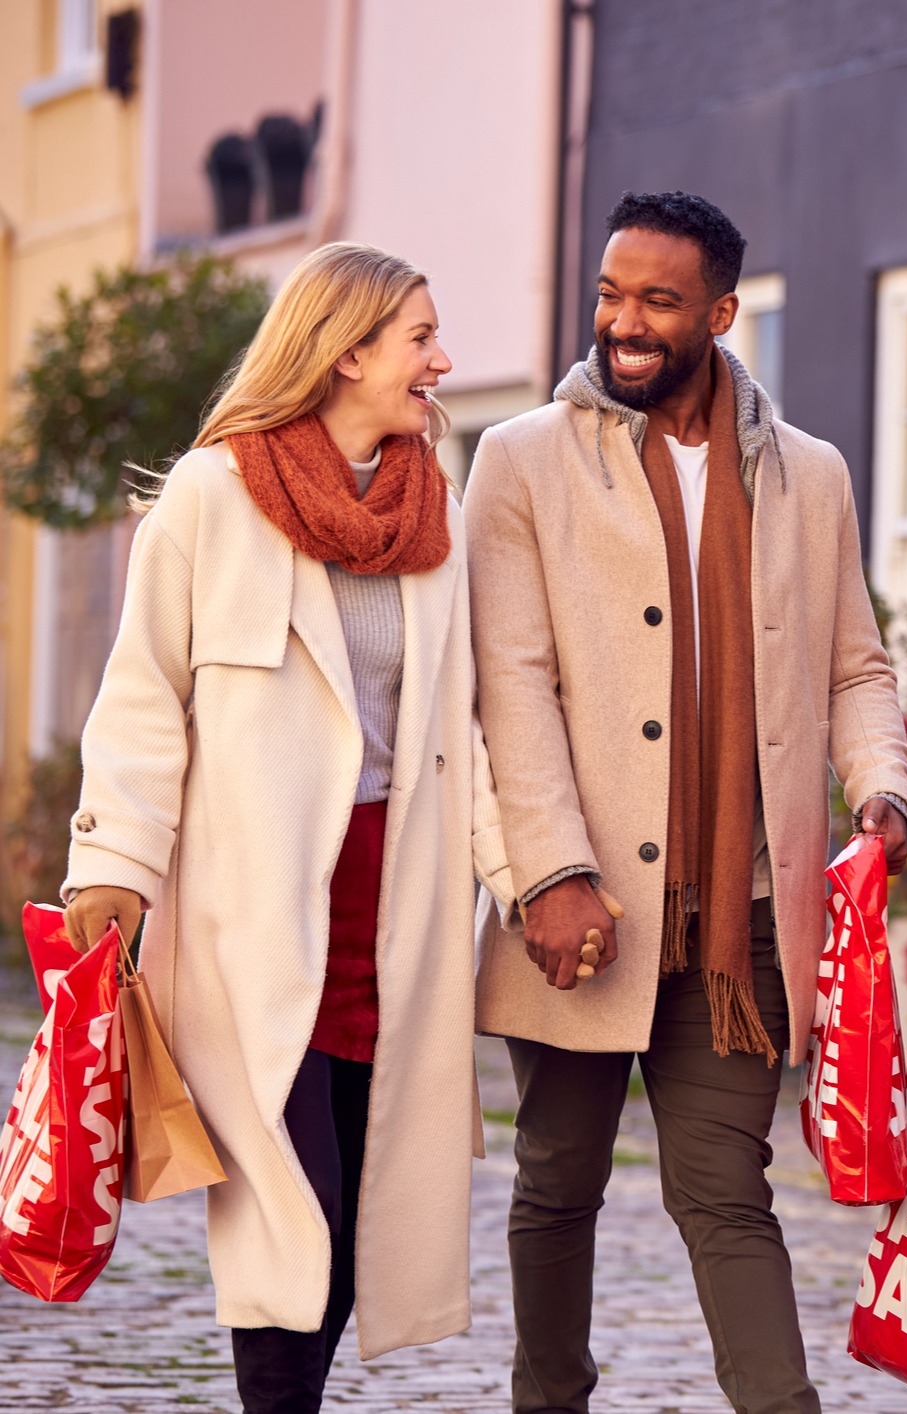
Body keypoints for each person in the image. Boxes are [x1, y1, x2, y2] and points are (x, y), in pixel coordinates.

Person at [465, 190, 907, 1414]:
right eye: (611, 294)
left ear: (720, 312)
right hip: (583, 903)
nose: (624, 322)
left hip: (744, 912)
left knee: (725, 1187)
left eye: (657, 302)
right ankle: (546, 1398)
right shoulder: (518, 461)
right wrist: (550, 875)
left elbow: (854, 667)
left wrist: (882, 791)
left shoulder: (808, 474)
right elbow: (508, 684)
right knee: (556, 1178)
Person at [62, 242, 512, 1412]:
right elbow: (144, 695)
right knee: (283, 1219)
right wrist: (112, 866)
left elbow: (463, 726)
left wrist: (530, 876)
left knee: (359, 1222)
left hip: (395, 918)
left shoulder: (436, 510)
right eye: (420, 339)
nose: (442, 362)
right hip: (252, 915)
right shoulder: (215, 497)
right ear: (347, 349)